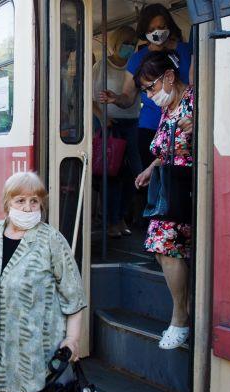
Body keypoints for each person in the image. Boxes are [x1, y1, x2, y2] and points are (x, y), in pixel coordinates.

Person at [0, 172, 87, 392]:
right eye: (20, 200)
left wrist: (72, 340)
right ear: (7, 203)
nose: (28, 207)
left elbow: (73, 296)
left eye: (34, 201)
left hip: (44, 359)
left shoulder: (51, 240)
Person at [133, 51, 194, 350]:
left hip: (189, 188)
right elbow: (164, 151)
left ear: (169, 77)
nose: (149, 94)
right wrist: (148, 169)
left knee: (164, 246)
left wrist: (195, 129)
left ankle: (180, 319)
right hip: (167, 187)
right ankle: (185, 307)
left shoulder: (194, 100)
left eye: (150, 87)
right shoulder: (167, 108)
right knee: (160, 251)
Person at [98, 3, 193, 170]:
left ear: (169, 26)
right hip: (150, 127)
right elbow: (128, 97)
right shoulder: (137, 59)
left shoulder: (188, 51)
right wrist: (116, 99)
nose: (157, 32)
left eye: (161, 27)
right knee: (152, 179)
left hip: (184, 126)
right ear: (144, 31)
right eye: (151, 29)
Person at [93, 26, 141, 238]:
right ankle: (110, 220)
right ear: (116, 44)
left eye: (133, 44)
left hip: (132, 123)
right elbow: (90, 97)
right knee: (112, 176)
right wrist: (103, 119)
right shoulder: (102, 66)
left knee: (133, 174)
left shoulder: (135, 65)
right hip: (109, 125)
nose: (129, 48)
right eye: (126, 43)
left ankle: (121, 217)